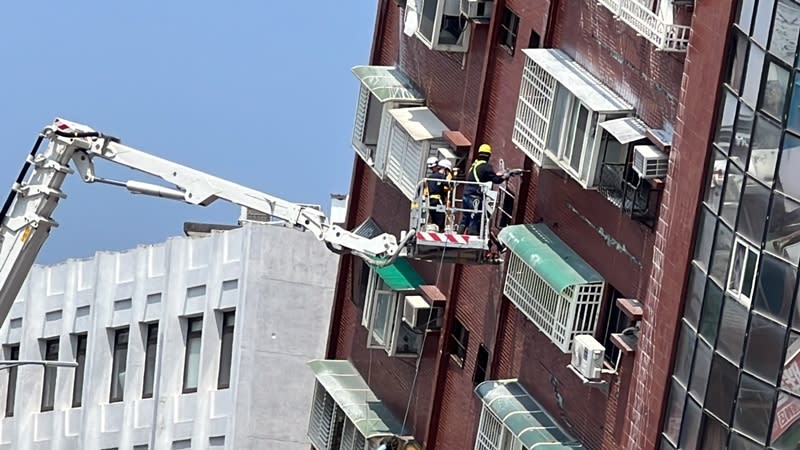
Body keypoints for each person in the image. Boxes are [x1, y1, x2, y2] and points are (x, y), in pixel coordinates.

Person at [458, 144, 508, 235]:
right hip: (474, 198)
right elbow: (496, 180)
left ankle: (459, 234)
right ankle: (472, 237)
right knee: (476, 217)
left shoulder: (475, 165)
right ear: (489, 155)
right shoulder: (486, 167)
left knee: (465, 218)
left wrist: (494, 175)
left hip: (466, 195)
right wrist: (505, 176)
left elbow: (483, 176)